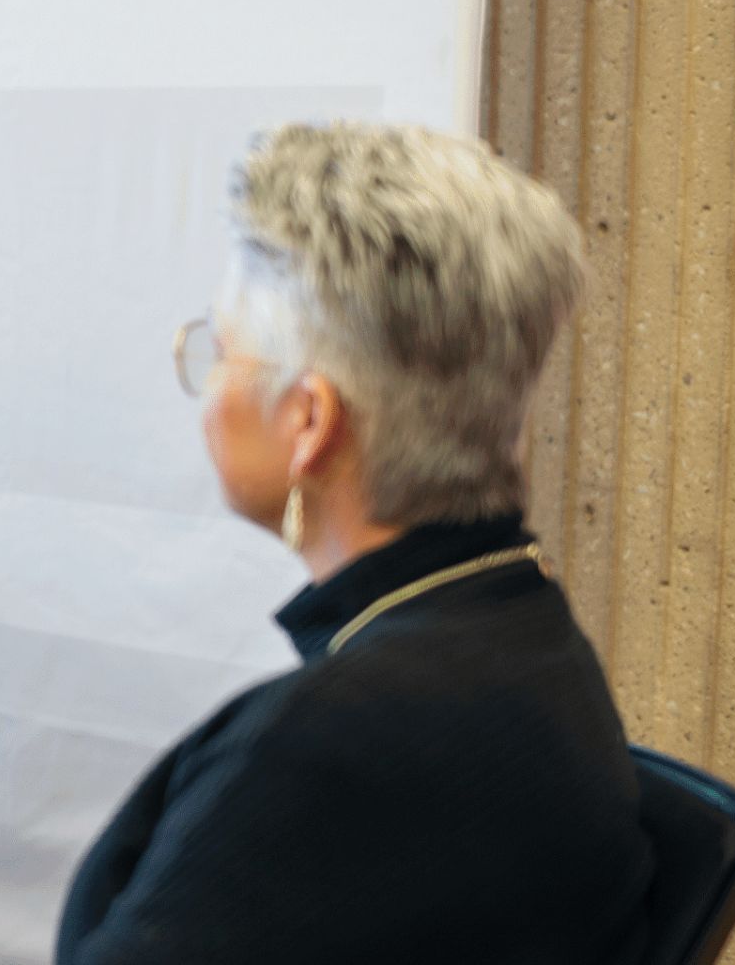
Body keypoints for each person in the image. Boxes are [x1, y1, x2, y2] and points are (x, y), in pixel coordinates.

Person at [57, 123, 653, 963]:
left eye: (223, 352)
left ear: (309, 422)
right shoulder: (532, 640)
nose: (210, 387)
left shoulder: (320, 752)